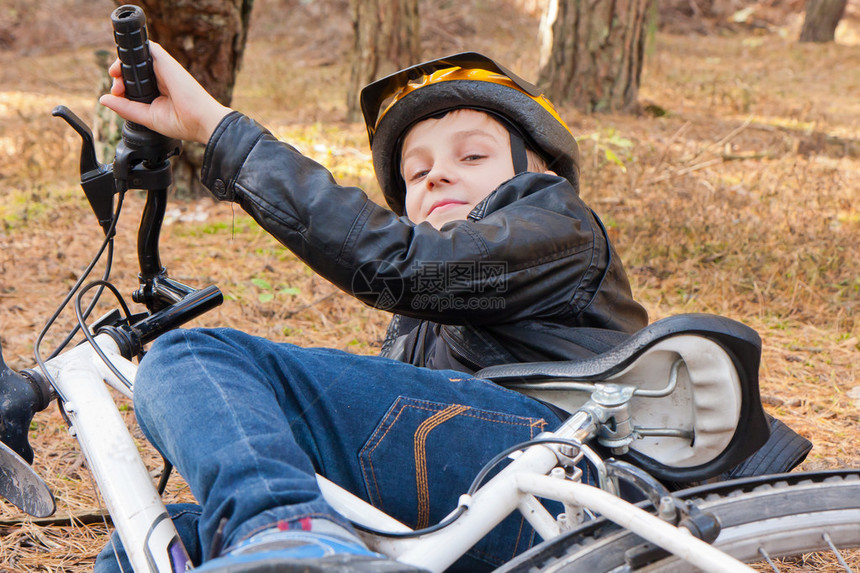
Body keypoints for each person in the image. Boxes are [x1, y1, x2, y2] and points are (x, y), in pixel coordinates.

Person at [95, 45, 648, 572]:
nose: (436, 175)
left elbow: (402, 265)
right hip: (479, 499)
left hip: (566, 478)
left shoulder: (557, 223)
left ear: (544, 171)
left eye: (473, 155)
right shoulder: (430, 311)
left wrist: (216, 132)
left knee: (189, 356)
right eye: (416, 172)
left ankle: (288, 539)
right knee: (157, 542)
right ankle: (288, 539)